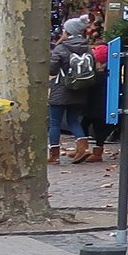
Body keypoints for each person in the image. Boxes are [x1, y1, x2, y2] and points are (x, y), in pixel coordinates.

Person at [47, 19, 99, 164]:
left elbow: (52, 69)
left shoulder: (61, 48)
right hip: (81, 90)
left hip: (61, 90)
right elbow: (92, 68)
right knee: (73, 120)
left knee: (55, 122)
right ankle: (82, 147)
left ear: (67, 31)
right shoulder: (88, 48)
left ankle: (54, 155)